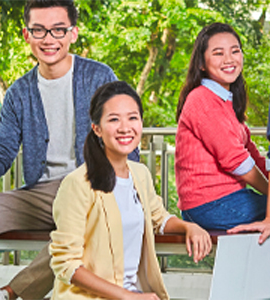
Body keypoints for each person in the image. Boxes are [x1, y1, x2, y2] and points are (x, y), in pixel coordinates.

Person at [0, 1, 138, 299]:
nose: (49, 39)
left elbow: (125, 140)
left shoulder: (99, 77)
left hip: (93, 188)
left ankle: (10, 293)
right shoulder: (19, 93)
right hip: (42, 193)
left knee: (85, 226)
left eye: (58, 29)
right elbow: (0, 152)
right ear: (27, 34)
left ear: (73, 33)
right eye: (39, 30)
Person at [49, 81, 212, 300]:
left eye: (132, 118)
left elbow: (159, 218)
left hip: (137, 294)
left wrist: (188, 226)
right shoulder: (77, 184)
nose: (125, 128)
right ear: (96, 128)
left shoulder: (140, 173)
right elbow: (66, 264)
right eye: (114, 119)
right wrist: (126, 296)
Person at [175, 22, 270, 245]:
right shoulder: (202, 100)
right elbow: (237, 162)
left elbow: (252, 155)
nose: (229, 59)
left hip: (226, 201)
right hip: (208, 206)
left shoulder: (226, 102)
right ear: (201, 63)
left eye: (235, 51)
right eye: (218, 53)